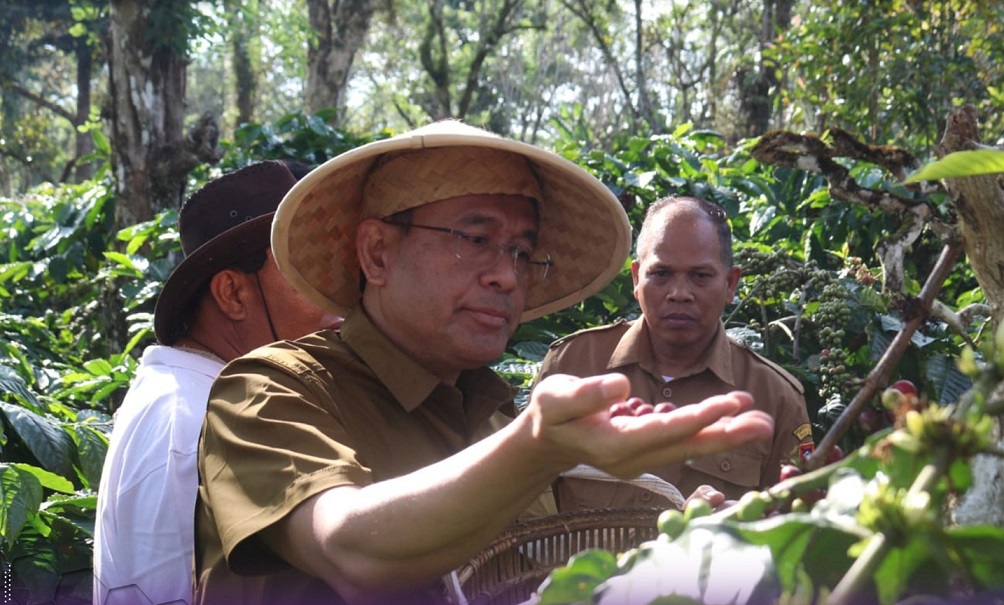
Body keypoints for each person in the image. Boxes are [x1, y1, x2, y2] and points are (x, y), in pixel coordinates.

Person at [193, 121, 775, 605]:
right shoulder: (268, 391)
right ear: (376, 252)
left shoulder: (491, 417)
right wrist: (538, 445)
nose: (505, 274)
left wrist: (680, 549)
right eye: (473, 239)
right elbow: (350, 548)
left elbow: (533, 587)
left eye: (521, 252)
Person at [93, 161, 343, 605]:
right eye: (307, 273)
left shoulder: (194, 399)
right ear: (232, 293)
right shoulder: (191, 423)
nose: (335, 302)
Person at [536, 195, 813, 509]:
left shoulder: (775, 399)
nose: (680, 294)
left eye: (700, 276)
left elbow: (795, 527)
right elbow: (524, 500)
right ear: (636, 279)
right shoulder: (570, 366)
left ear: (730, 283)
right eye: (661, 274)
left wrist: (736, 528)